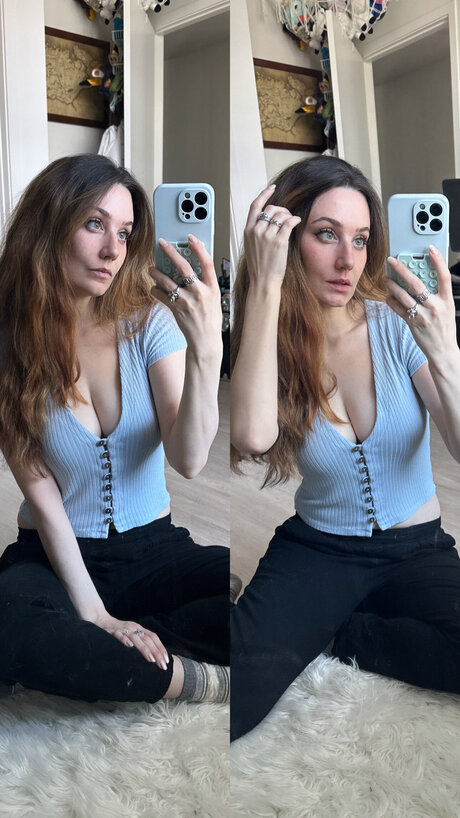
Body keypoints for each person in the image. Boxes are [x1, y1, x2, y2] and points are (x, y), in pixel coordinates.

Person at [230, 155, 460, 741]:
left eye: (360, 239)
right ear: (287, 239)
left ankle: (341, 631)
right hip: (320, 548)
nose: (347, 261)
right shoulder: (270, 340)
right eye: (326, 234)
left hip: (418, 548)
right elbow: (253, 437)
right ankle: (320, 618)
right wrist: (265, 284)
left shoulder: (397, 324)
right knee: (236, 699)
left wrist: (445, 351)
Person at [0, 153, 229, 706]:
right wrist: (96, 613)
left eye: (125, 233)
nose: (113, 250)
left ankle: (118, 653)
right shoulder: (10, 343)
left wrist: (207, 351)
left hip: (155, 548)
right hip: (53, 554)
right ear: (49, 225)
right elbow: (43, 499)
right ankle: (186, 678)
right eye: (94, 224)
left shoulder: (149, 324)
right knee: (10, 625)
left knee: (269, 596)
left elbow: (189, 459)